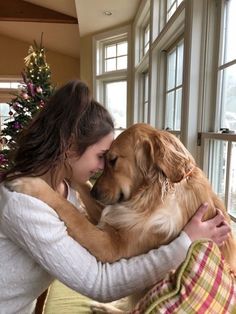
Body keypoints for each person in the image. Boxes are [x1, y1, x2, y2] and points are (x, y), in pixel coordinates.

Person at [0, 80, 230, 314]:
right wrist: (185, 242)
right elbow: (98, 282)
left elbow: (102, 227)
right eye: (102, 157)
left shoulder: (64, 184)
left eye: (110, 160)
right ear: (69, 146)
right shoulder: (24, 200)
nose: (102, 167)